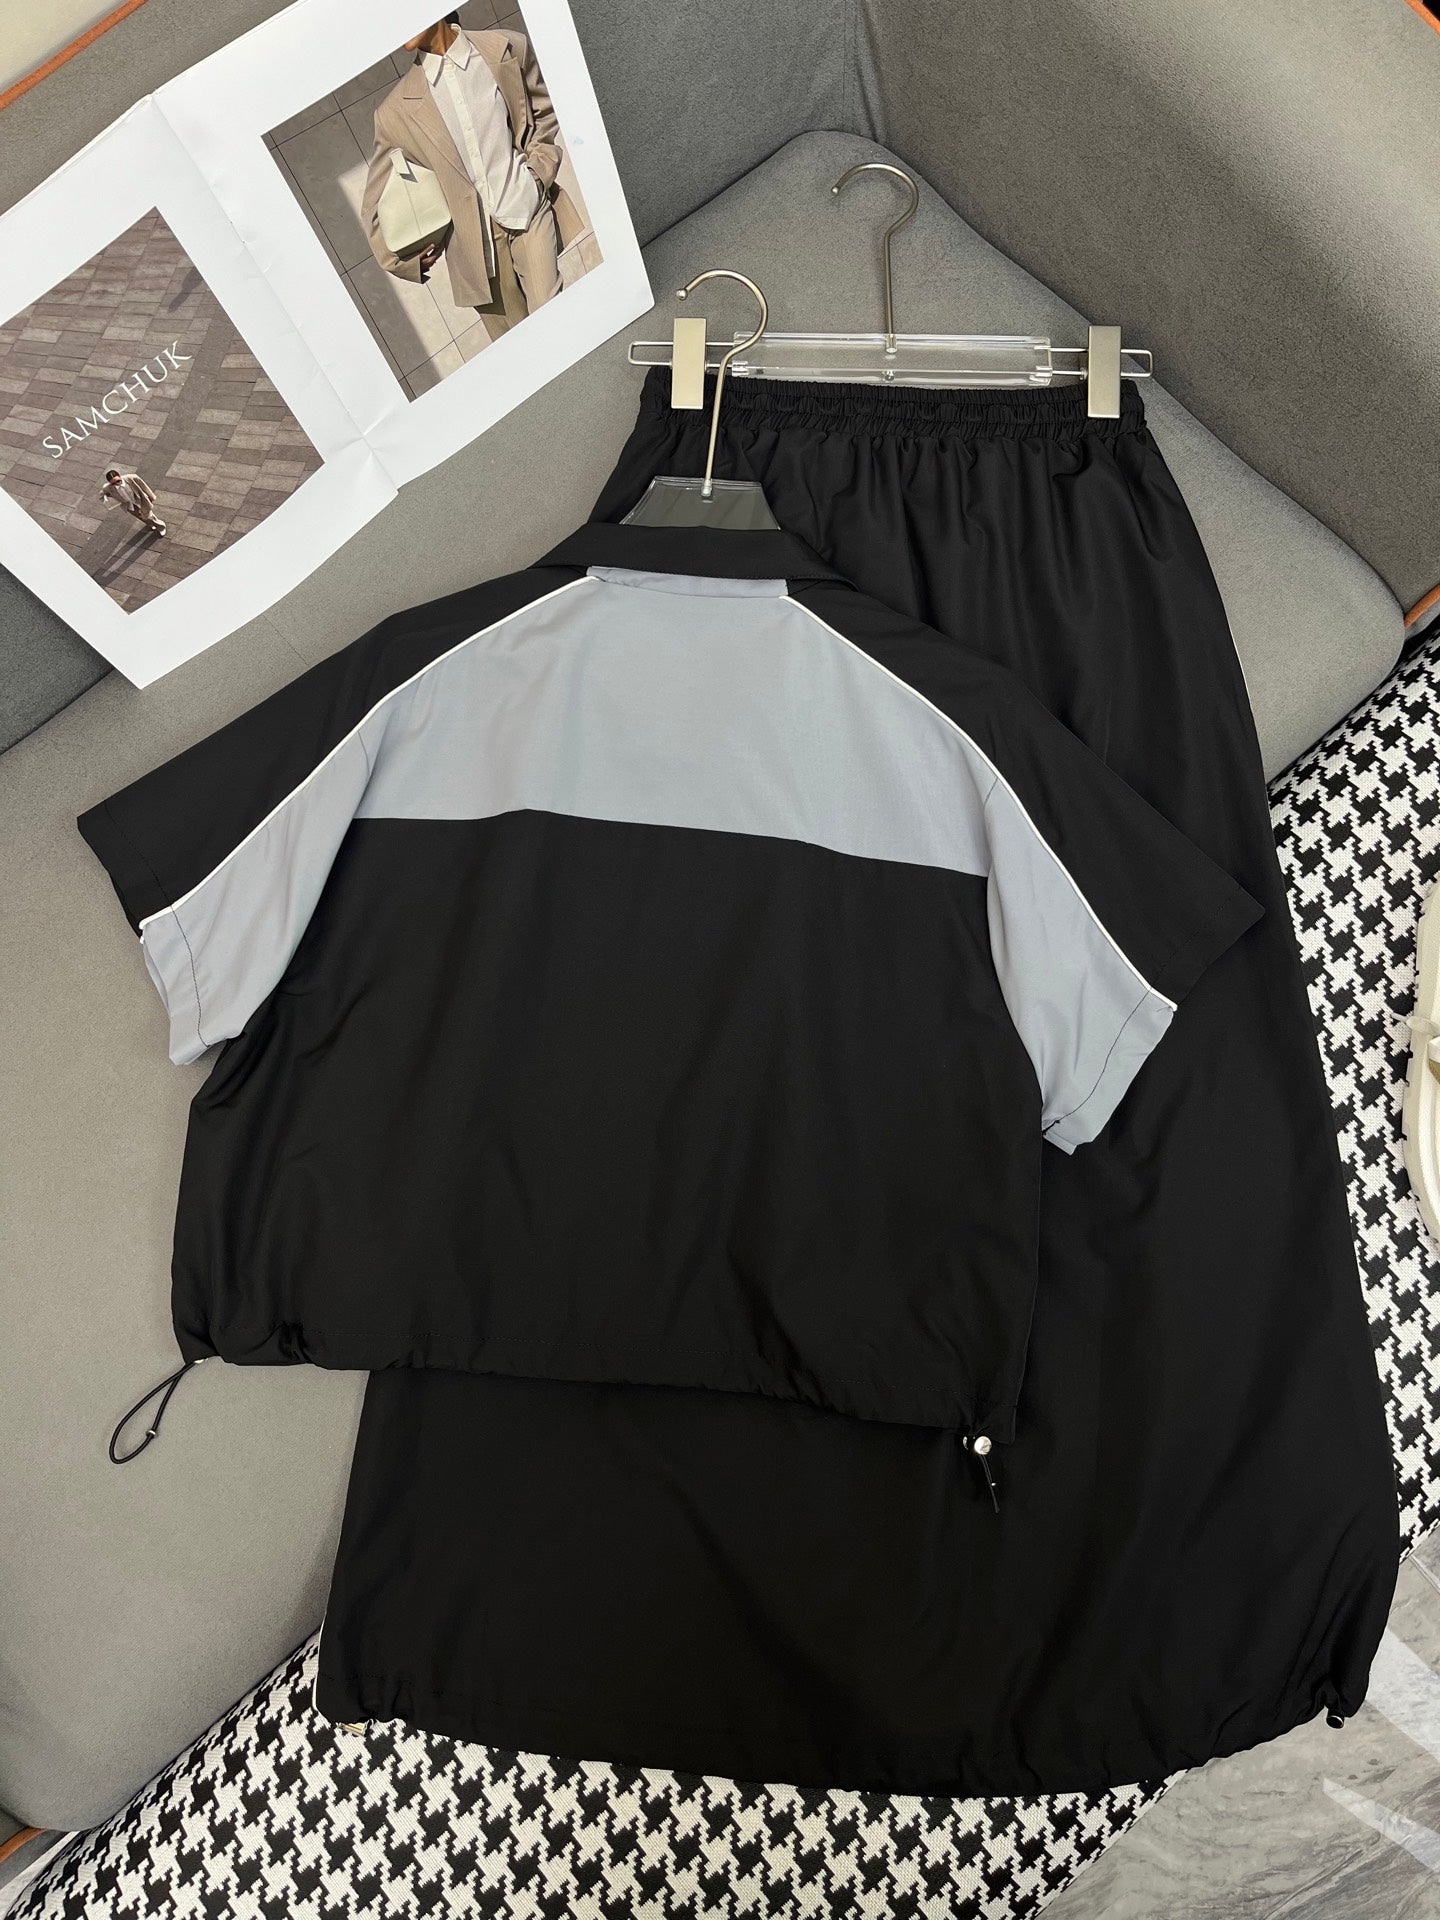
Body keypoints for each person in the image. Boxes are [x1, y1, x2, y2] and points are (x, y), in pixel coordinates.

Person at [360, 15, 576, 338]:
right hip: (474, 251)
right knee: (518, 346)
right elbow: (373, 201)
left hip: (527, 206)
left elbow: (543, 111)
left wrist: (537, 175)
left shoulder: (505, 47)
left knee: (555, 319)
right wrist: (399, 261)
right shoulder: (394, 112)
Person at [101, 469, 166, 536]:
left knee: (149, 516)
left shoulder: (131, 478)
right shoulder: (108, 487)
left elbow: (144, 486)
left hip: (140, 500)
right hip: (129, 505)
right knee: (141, 517)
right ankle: (150, 524)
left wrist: (151, 497)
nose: (117, 484)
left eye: (118, 481)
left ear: (119, 476)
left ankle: (161, 527)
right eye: (113, 483)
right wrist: (107, 498)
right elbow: (102, 493)